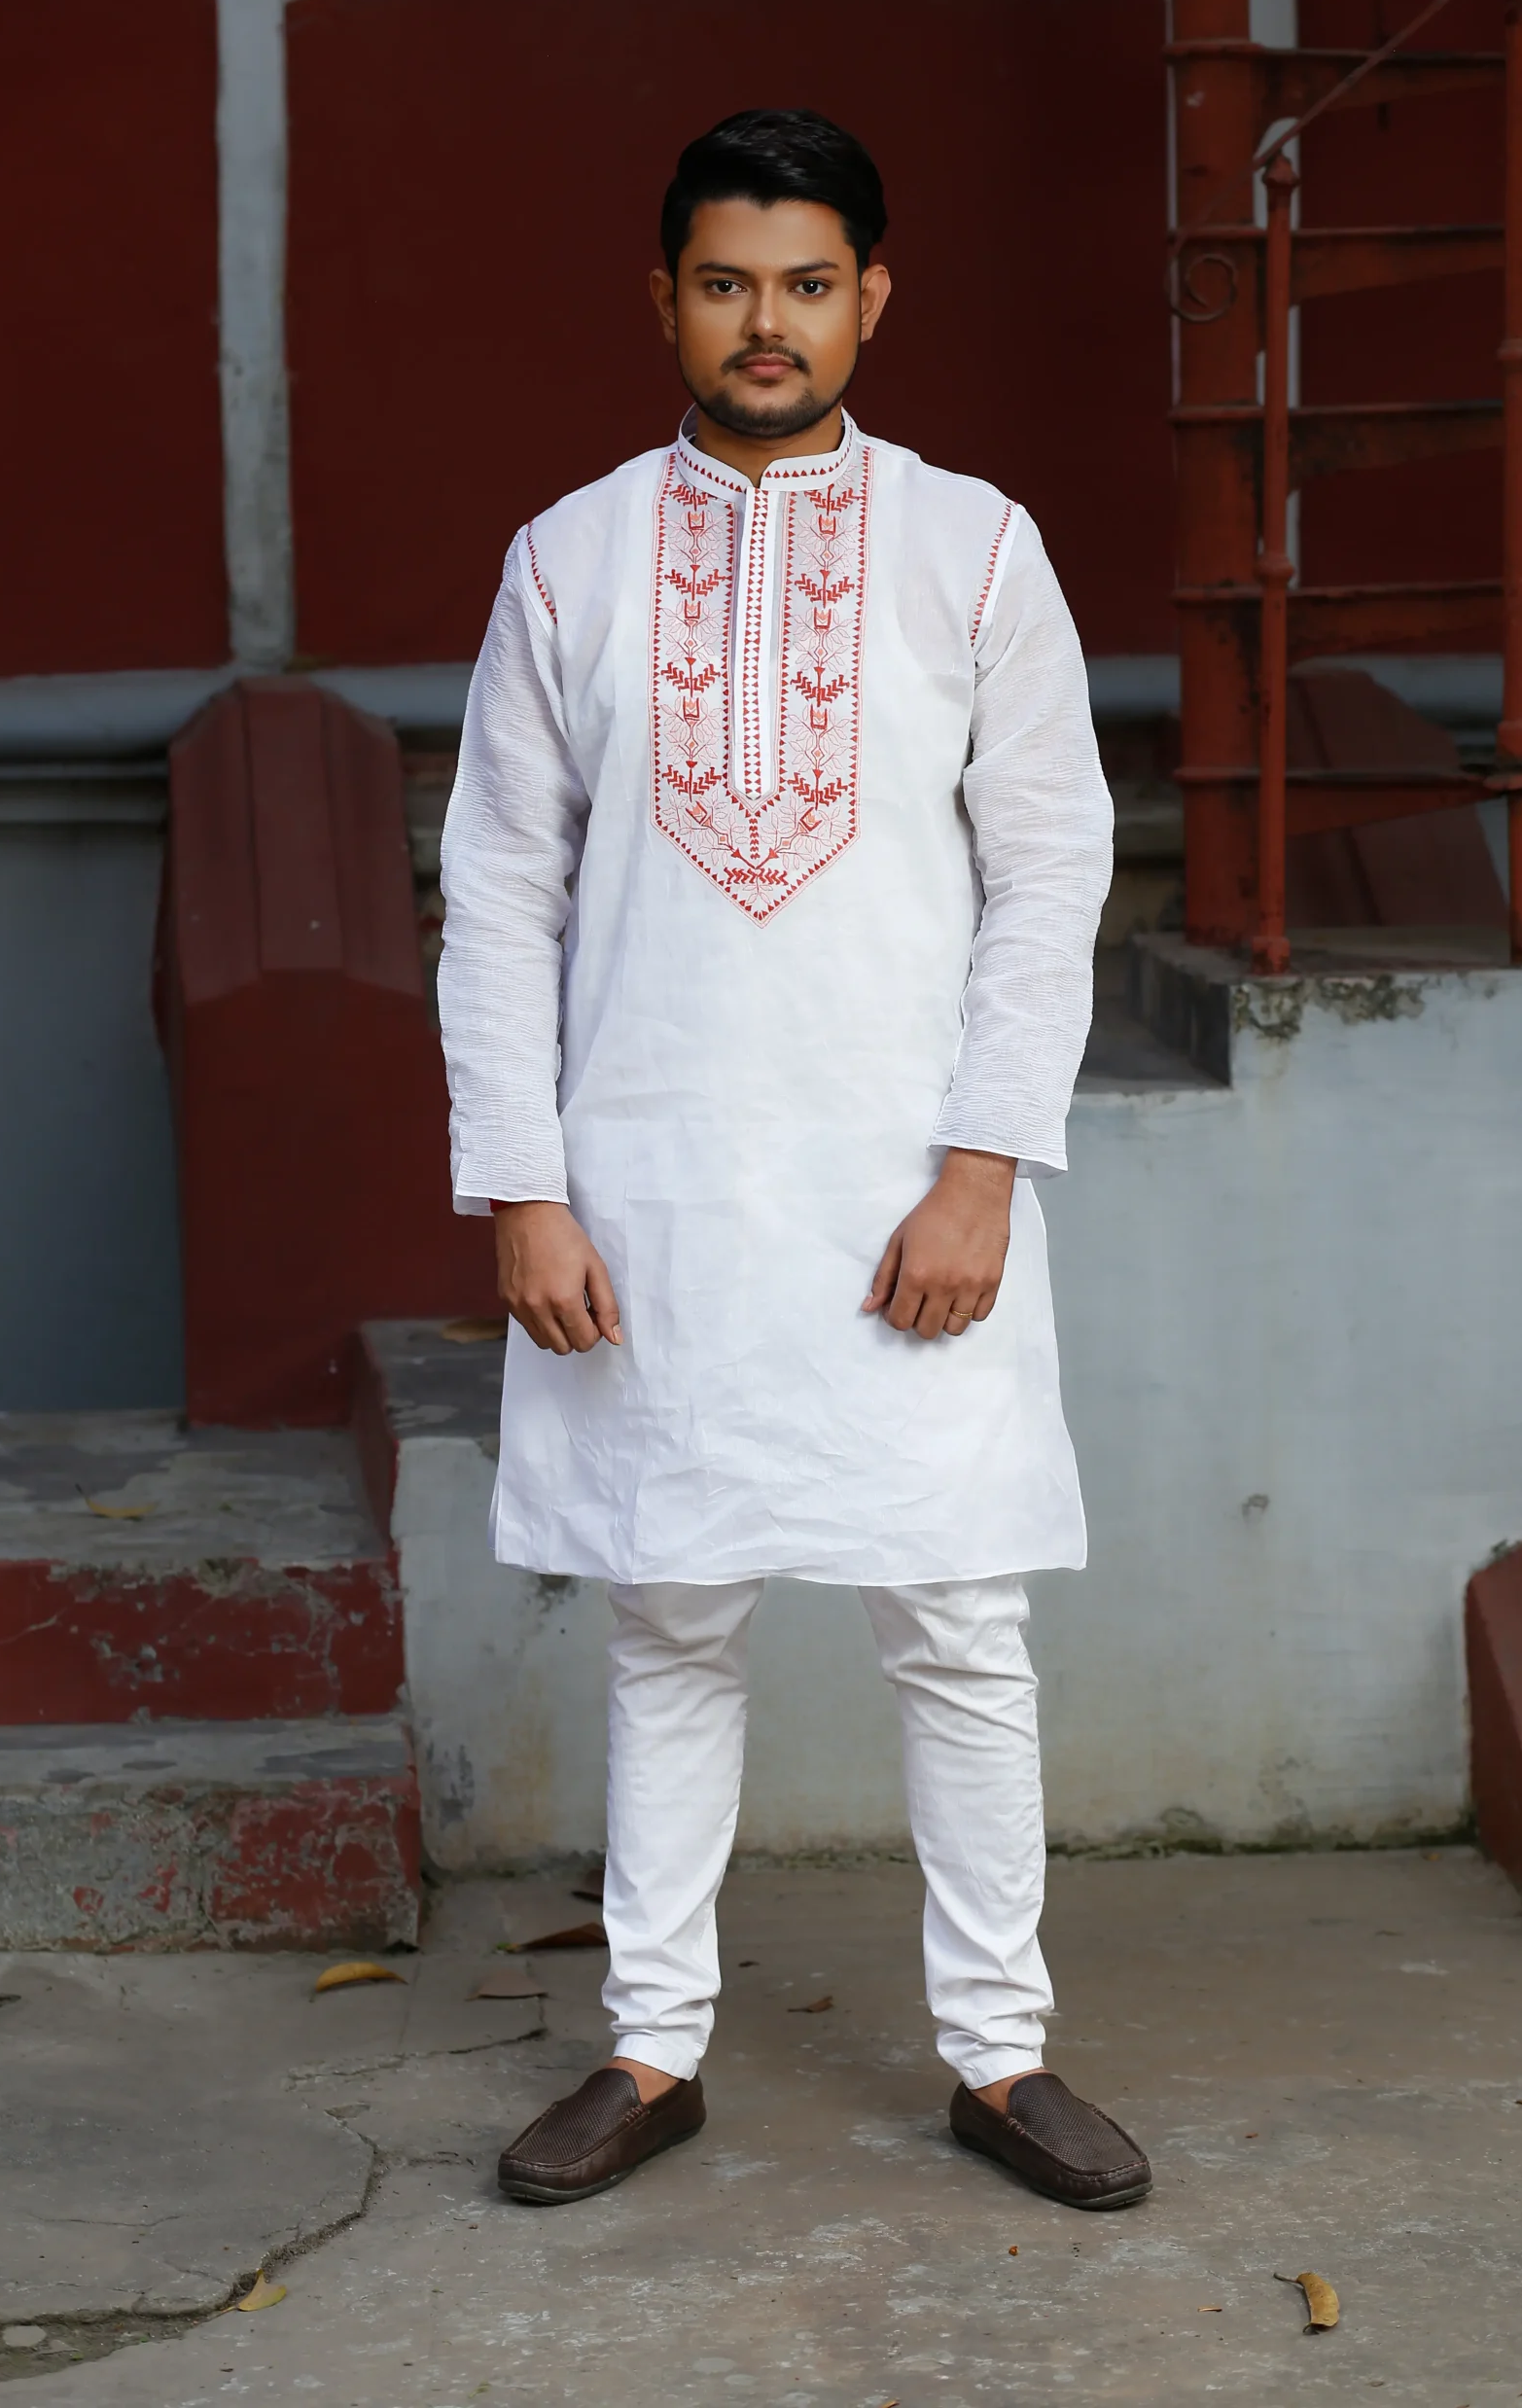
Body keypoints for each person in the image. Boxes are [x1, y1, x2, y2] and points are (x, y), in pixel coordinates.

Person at [439, 108, 1148, 2214]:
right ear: (664, 299)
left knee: (958, 1621)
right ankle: (650, 2048)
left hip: (901, 1185)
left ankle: (1001, 2055)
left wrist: (983, 1164)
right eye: (728, 283)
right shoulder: (566, 559)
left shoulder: (974, 549)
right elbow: (496, 893)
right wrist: (522, 1185)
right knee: (668, 1616)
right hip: (646, 1187)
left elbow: (1051, 872)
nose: (769, 322)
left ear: (871, 300)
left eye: (809, 284)